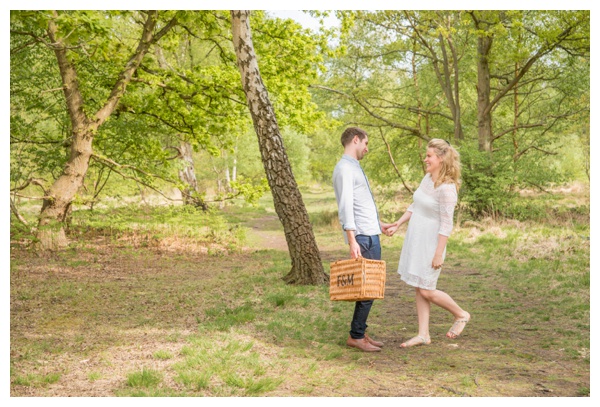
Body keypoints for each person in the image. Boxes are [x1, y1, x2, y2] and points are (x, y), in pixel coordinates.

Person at [385, 139, 470, 347]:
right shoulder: (427, 179)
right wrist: (398, 223)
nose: (426, 159)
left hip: (432, 243)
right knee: (418, 286)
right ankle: (423, 334)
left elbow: (446, 224)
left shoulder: (447, 189)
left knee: (427, 290)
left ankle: (461, 314)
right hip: (416, 238)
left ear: (440, 159)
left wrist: (438, 253)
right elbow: (415, 204)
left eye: (429, 155)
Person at [333, 127, 393, 352]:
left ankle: (360, 332)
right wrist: (352, 239)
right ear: (355, 140)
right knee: (368, 288)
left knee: (370, 287)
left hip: (370, 232)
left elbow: (361, 205)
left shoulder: (353, 167)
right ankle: (356, 336)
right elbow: (346, 205)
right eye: (365, 143)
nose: (367, 148)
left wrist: (379, 225)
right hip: (362, 237)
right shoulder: (344, 169)